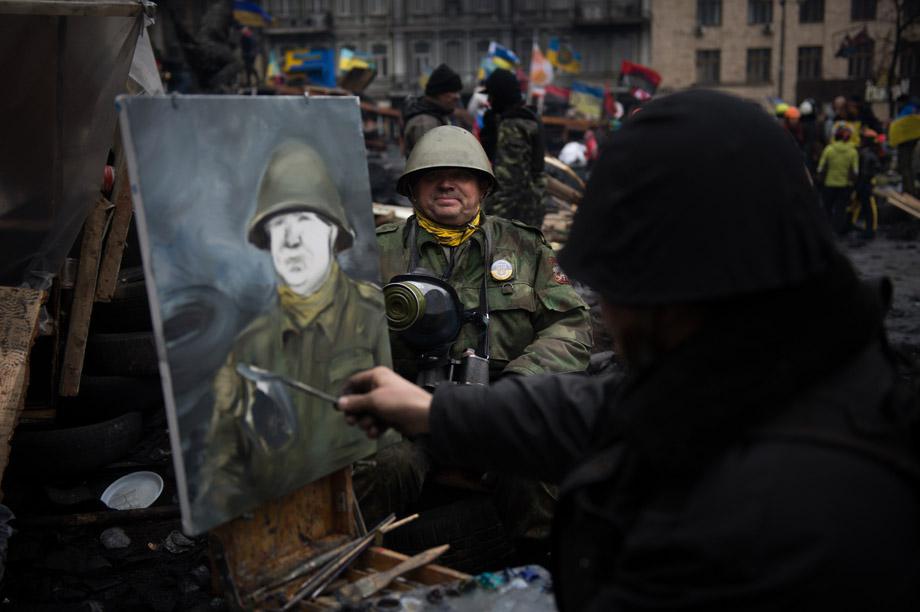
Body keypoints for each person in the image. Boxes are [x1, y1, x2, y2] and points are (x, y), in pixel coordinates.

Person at [339, 90, 920, 611]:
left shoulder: (758, 527)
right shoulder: (779, 376)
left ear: (686, 288)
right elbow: (612, 410)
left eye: (622, 290)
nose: (610, 319)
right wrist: (434, 411)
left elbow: (587, 359)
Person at [360, 125, 592, 554]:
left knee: (539, 468)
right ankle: (357, 562)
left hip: (498, 408)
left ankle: (536, 568)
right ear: (412, 187)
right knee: (381, 467)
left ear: (482, 187)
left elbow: (571, 325)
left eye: (461, 175)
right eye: (433, 174)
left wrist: (524, 379)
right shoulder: (378, 253)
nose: (447, 183)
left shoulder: (525, 248)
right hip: (407, 413)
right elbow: (343, 335)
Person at [194, 141, 389, 526]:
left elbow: (397, 443)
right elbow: (221, 461)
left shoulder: (372, 315)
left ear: (335, 233)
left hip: (365, 512)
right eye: (278, 226)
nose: (291, 240)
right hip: (276, 525)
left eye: (304, 221)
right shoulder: (249, 346)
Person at [480, 68, 547, 228]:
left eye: (492, 95)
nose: (489, 100)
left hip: (515, 216)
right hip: (528, 209)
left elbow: (509, 182)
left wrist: (490, 223)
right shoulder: (528, 118)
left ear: (500, 95)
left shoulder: (513, 124)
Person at [402, 63, 463, 156]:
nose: (457, 97)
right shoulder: (425, 123)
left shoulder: (435, 116)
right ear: (439, 93)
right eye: (453, 91)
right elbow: (429, 162)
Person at [817, 125, 858, 234]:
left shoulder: (829, 150)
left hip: (829, 185)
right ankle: (838, 231)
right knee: (841, 210)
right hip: (844, 186)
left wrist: (820, 181)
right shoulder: (852, 152)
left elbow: (821, 168)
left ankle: (825, 231)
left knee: (827, 209)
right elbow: (855, 171)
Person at [853, 129, 882, 239]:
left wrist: (860, 184)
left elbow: (865, 172)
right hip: (866, 183)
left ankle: (870, 230)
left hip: (865, 184)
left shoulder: (866, 154)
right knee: (866, 207)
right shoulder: (871, 152)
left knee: (868, 208)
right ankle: (868, 229)